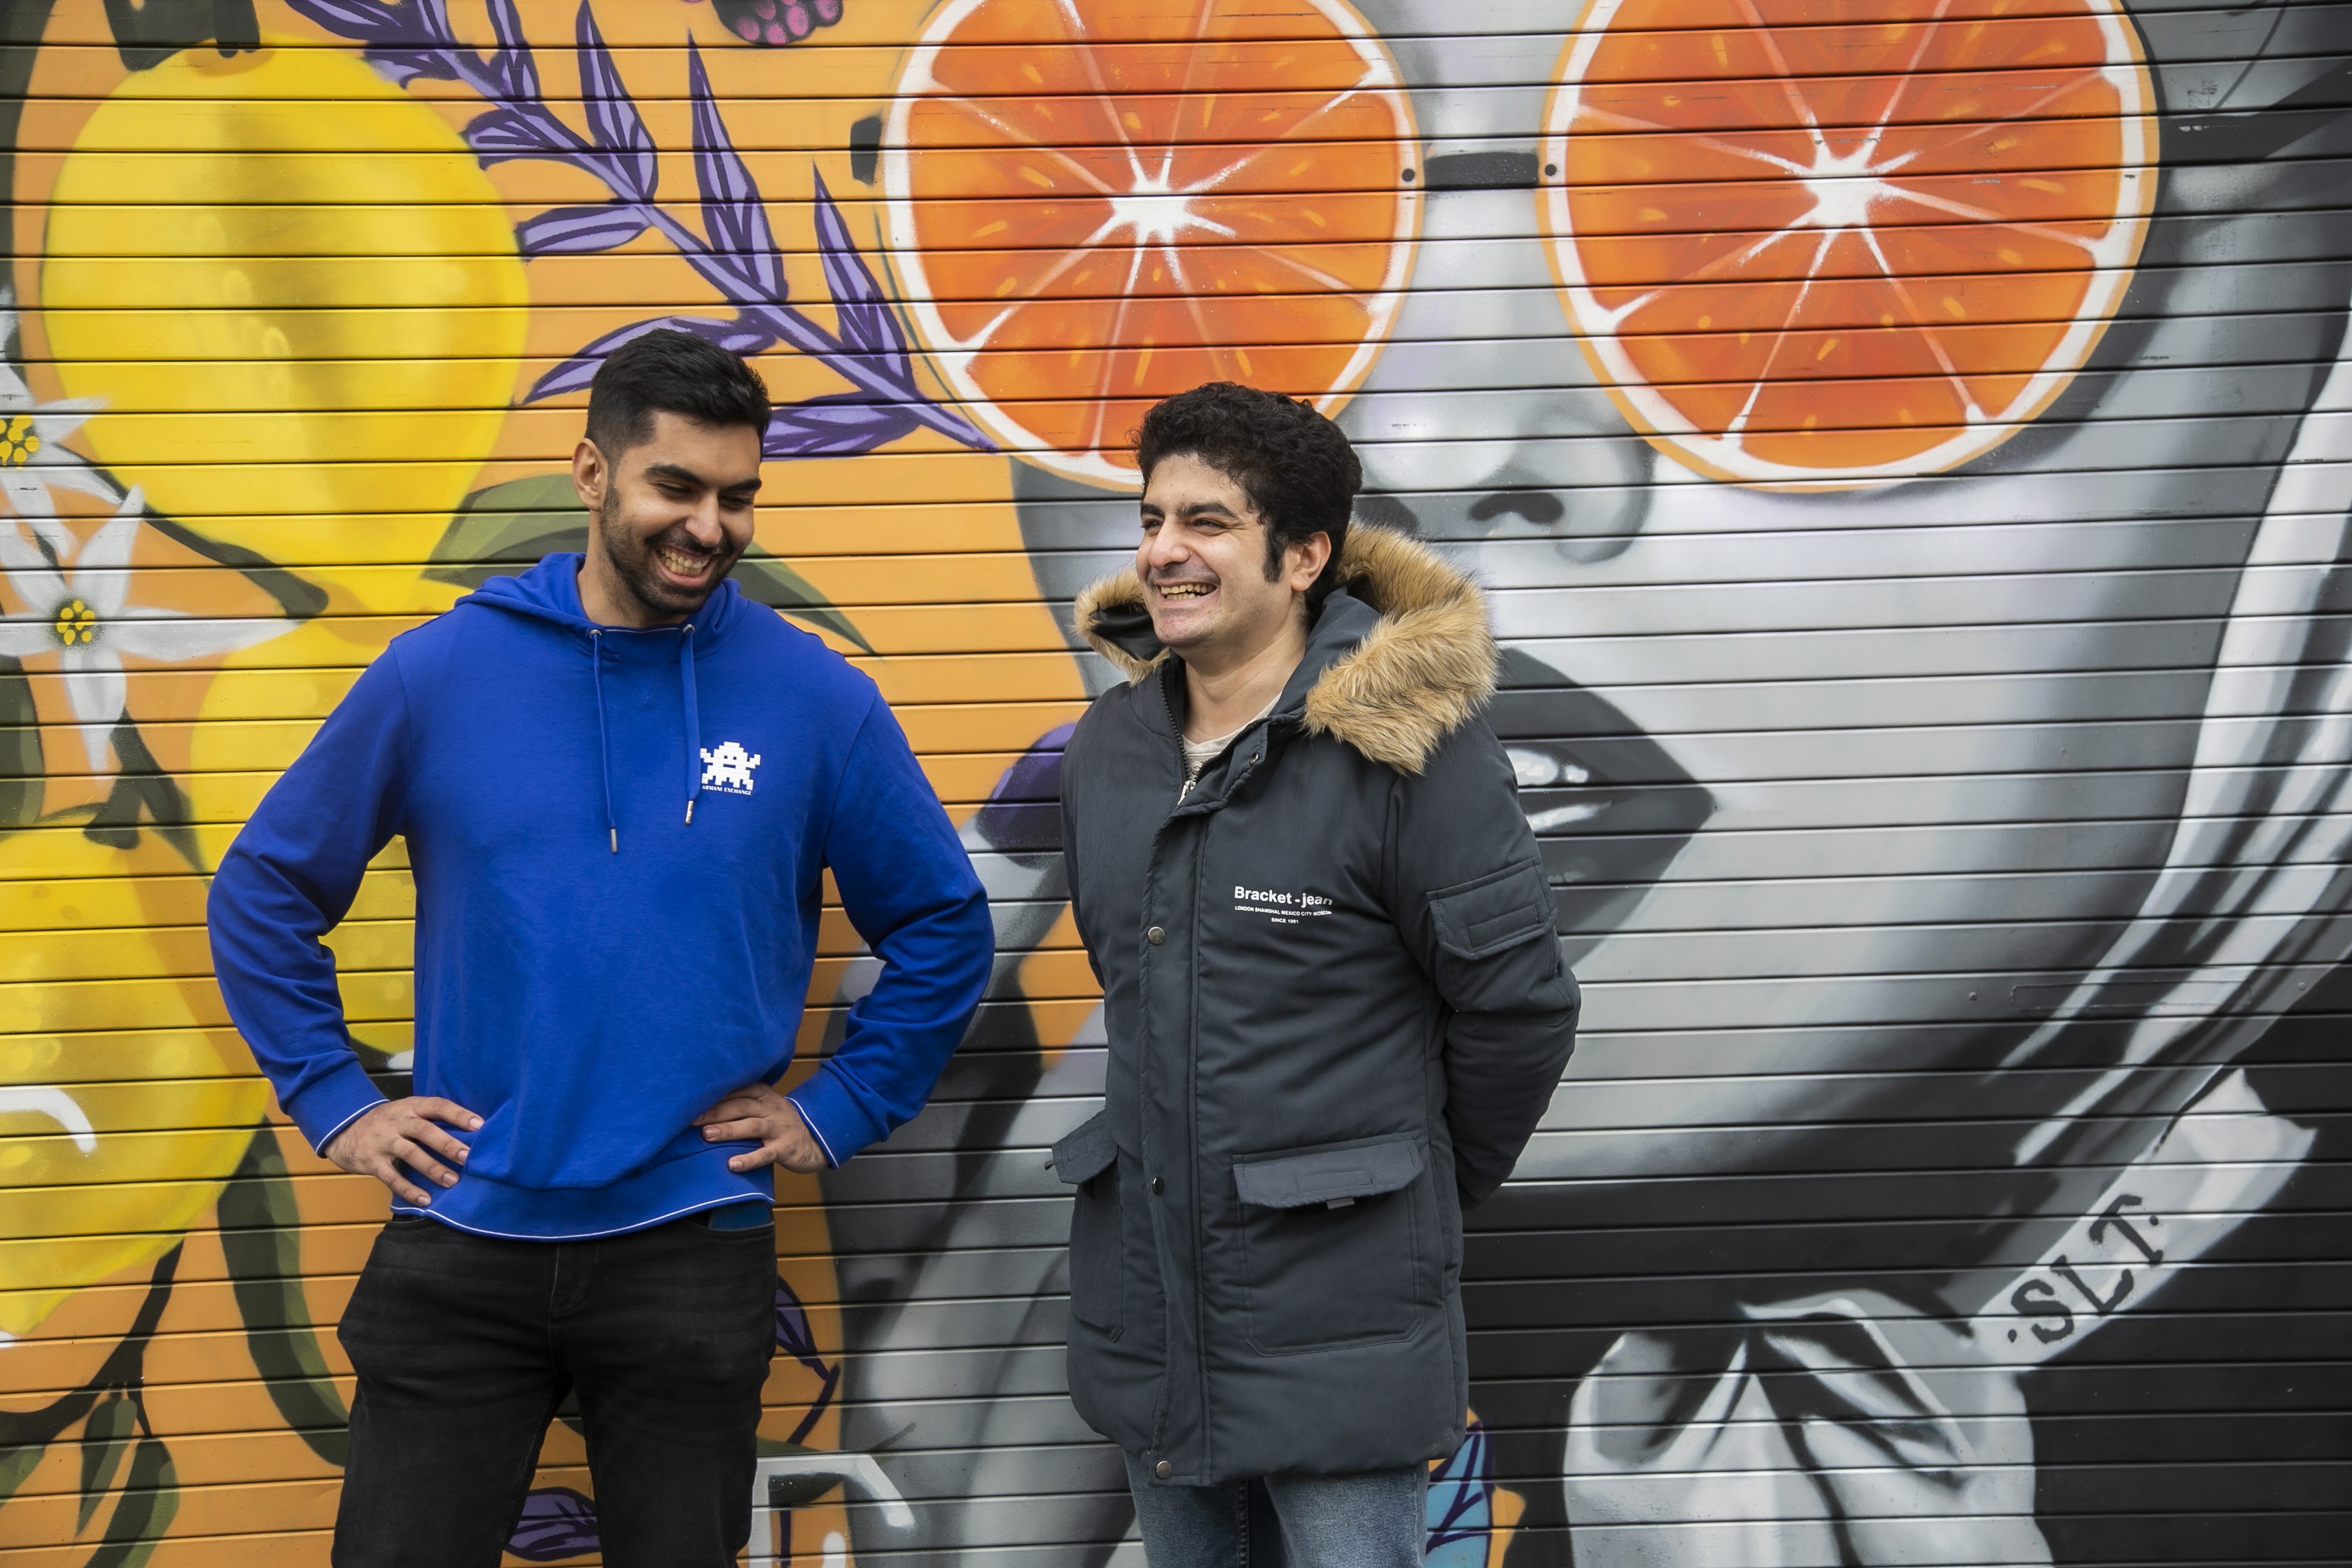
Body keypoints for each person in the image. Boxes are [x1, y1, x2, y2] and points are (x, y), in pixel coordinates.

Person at [204, 328, 995, 1568]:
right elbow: (264, 886)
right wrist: (335, 1097)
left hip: (690, 1245)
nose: (710, 525)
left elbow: (944, 920)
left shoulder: (811, 695)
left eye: (738, 497)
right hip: (464, 1233)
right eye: (675, 487)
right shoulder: (441, 673)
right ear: (591, 473)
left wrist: (842, 1103)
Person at [1049, 381, 1581, 1567]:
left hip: (1336, 1322)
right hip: (1154, 1307)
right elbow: (1132, 981)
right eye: (1152, 519)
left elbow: (1521, 1007)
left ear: (1302, 557)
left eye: (1206, 523)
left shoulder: (1401, 749)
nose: (1163, 554)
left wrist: (1417, 1187)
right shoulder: (1111, 751)